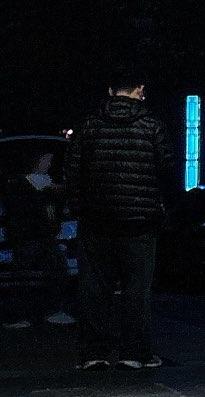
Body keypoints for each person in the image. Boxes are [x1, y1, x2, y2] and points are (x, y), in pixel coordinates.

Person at [64, 75, 173, 371]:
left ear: (110, 90)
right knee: (137, 290)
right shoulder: (151, 125)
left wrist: (80, 208)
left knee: (94, 289)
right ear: (140, 89)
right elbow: (166, 170)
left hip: (96, 220)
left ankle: (94, 353)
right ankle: (134, 353)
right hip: (140, 222)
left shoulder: (89, 125)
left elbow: (72, 172)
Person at [2, 149, 74, 331]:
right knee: (27, 275)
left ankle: (44, 311)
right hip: (32, 235)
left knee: (51, 271)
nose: (49, 165)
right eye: (46, 161)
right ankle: (18, 315)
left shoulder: (35, 183)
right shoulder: (29, 184)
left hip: (39, 235)